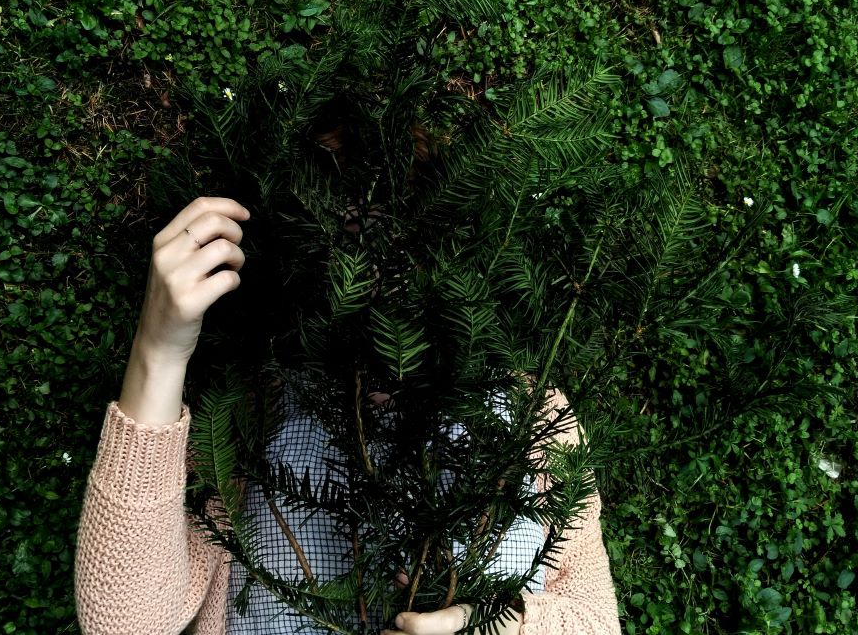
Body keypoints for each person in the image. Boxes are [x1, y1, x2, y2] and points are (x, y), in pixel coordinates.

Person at [73, 196, 622, 635]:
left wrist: (492, 624)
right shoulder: (247, 416)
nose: (371, 281)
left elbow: (594, 618)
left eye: (395, 248)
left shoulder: (533, 414)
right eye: (346, 247)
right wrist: (159, 352)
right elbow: (124, 624)